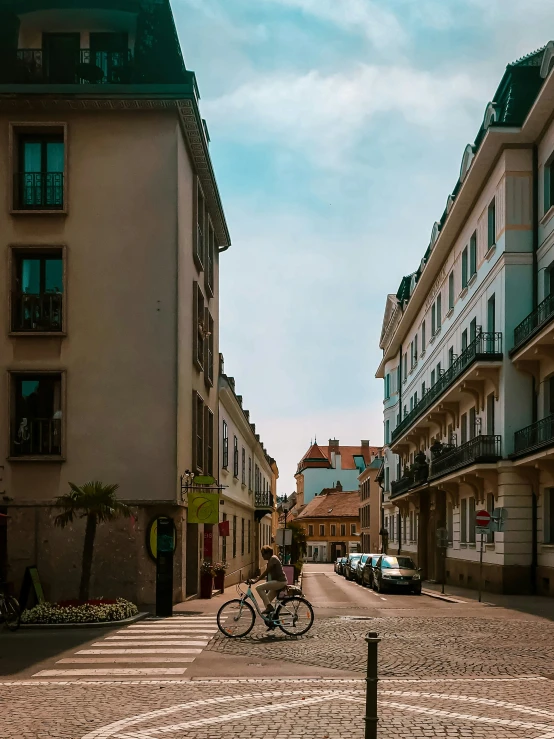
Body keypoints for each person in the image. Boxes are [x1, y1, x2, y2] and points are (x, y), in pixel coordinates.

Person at [254, 545, 288, 615]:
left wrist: (256, 580)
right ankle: (272, 618)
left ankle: (270, 608)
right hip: (278, 582)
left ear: (268, 553)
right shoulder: (271, 560)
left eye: (263, 554)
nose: (262, 556)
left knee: (258, 588)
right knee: (267, 600)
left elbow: (267, 571)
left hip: (280, 582)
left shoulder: (273, 559)